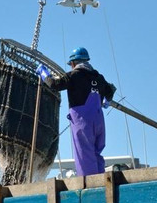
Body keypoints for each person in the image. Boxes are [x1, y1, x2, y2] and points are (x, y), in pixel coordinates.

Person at [46, 46, 117, 176]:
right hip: (99, 121)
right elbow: (111, 90)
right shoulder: (99, 77)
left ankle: (90, 186)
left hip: (83, 121)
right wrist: (107, 100)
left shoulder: (74, 75)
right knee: (96, 152)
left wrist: (44, 74)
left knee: (84, 153)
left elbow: (54, 85)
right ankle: (101, 180)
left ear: (73, 63)